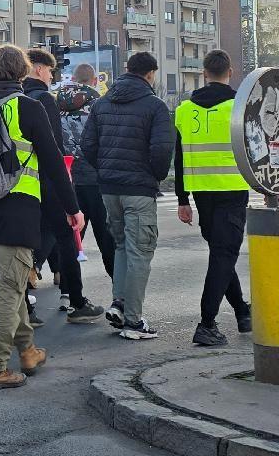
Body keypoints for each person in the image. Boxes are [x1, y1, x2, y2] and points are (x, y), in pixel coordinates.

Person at [0, 46, 84, 390]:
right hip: (18, 209)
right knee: (9, 288)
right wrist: (71, 208)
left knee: (11, 284)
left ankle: (28, 351)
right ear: (22, 73)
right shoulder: (27, 107)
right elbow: (53, 162)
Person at [82, 51, 175, 340]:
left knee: (122, 246)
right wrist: (154, 176)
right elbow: (162, 149)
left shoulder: (102, 103)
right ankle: (133, 321)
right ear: (150, 74)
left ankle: (119, 303)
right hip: (138, 189)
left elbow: (87, 145)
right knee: (140, 252)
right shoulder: (155, 106)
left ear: (127, 70)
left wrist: (106, 169)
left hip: (109, 189)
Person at [174, 49, 255, 347]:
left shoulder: (184, 110)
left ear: (204, 73)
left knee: (221, 254)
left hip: (201, 194)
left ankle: (242, 311)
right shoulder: (240, 108)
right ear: (230, 72)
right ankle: (207, 323)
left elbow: (179, 157)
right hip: (232, 191)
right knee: (224, 255)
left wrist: (183, 199)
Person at [24, 49, 104, 324]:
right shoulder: (43, 99)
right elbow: (54, 148)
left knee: (24, 243)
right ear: (37, 69)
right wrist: (68, 196)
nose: (50, 76)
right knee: (67, 237)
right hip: (48, 182)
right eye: (49, 70)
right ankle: (76, 302)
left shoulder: (13, 99)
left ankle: (25, 306)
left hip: (20, 185)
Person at [57, 63, 115, 277]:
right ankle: (119, 294)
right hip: (95, 178)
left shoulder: (56, 104)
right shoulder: (101, 105)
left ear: (72, 79)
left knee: (71, 236)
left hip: (66, 179)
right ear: (94, 81)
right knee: (106, 238)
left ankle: (67, 290)